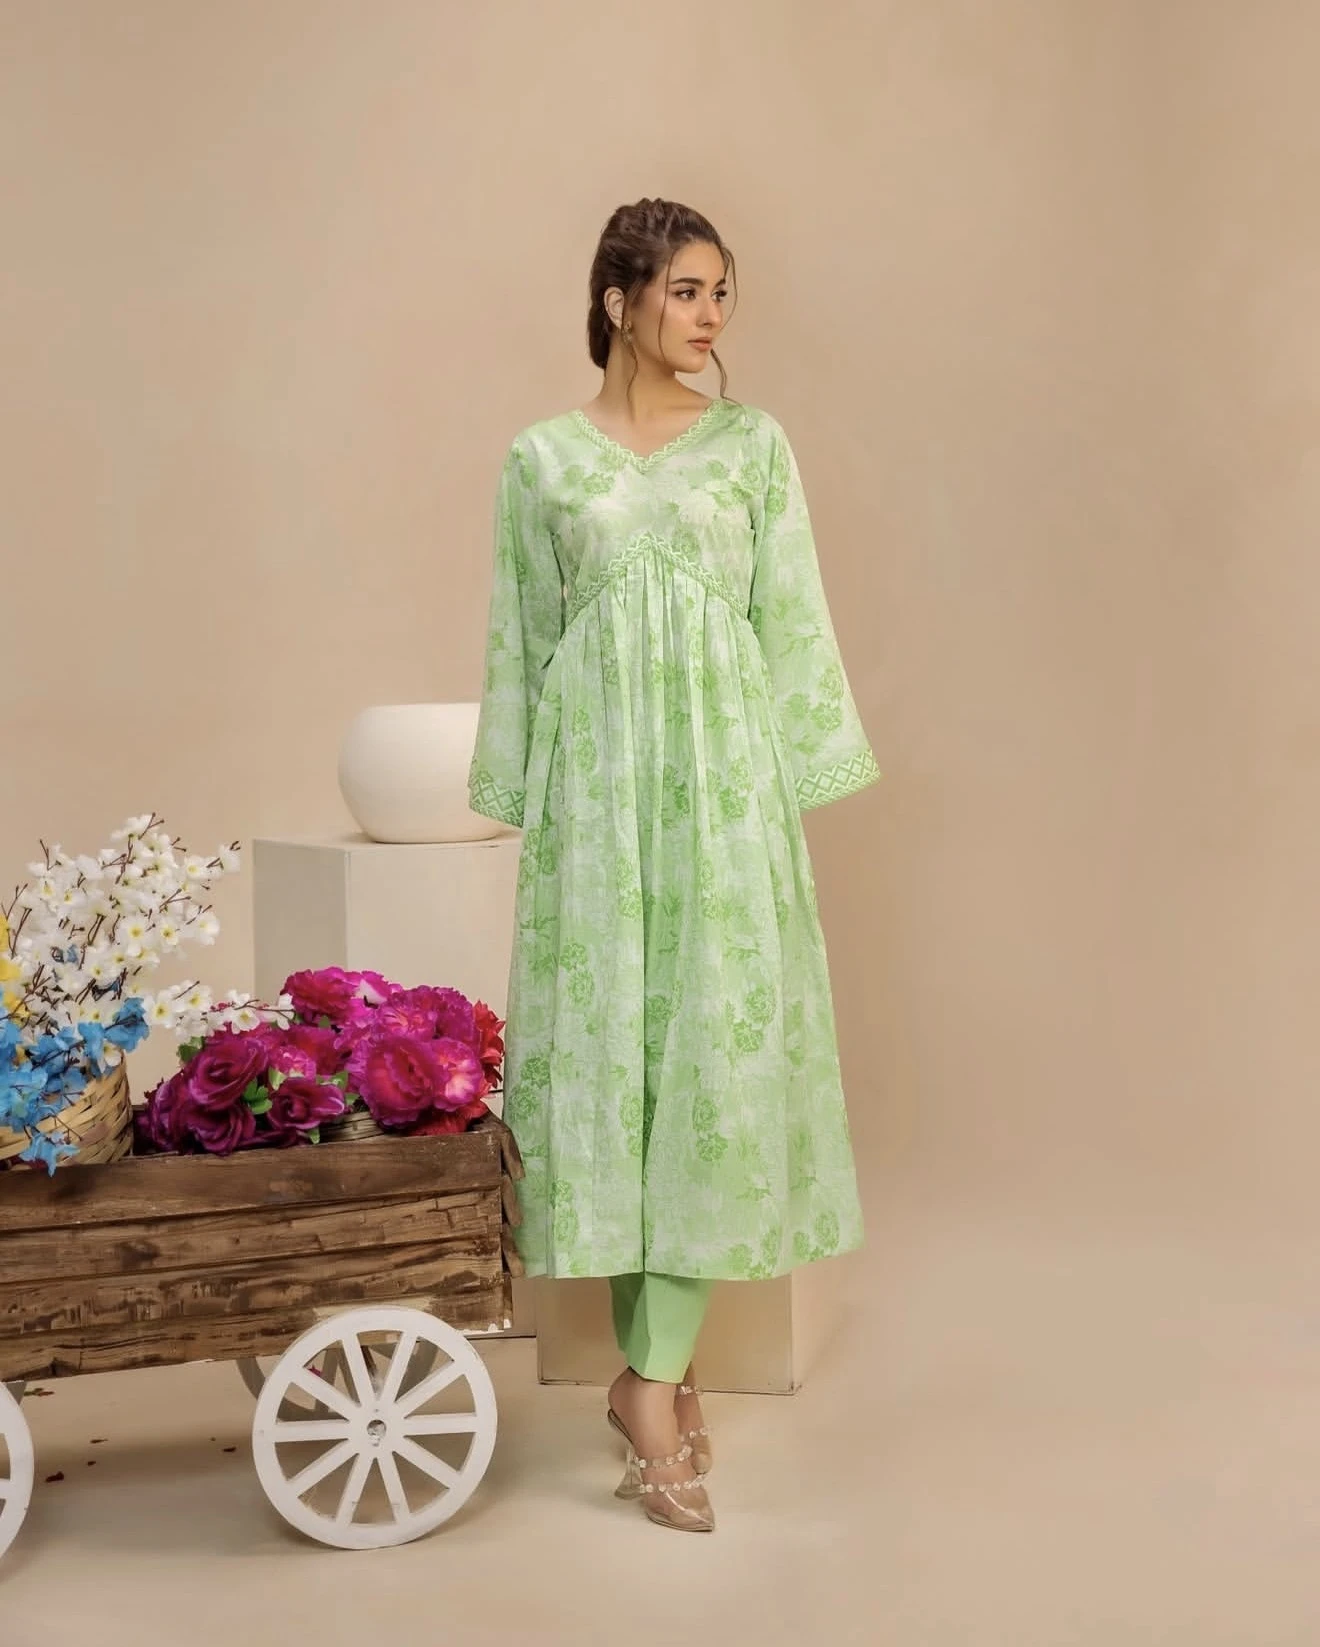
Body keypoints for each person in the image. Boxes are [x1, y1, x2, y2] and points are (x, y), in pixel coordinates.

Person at [468, 197, 879, 1533]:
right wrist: (523, 799)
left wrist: (785, 789)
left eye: (721, 293)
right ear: (620, 301)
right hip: (596, 803)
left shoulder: (753, 447)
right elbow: (522, 643)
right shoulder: (540, 462)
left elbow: (790, 617)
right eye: (689, 291)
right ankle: (661, 1374)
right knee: (614, 1075)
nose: (712, 317)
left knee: (707, 1067)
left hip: (721, 793)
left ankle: (646, 1381)